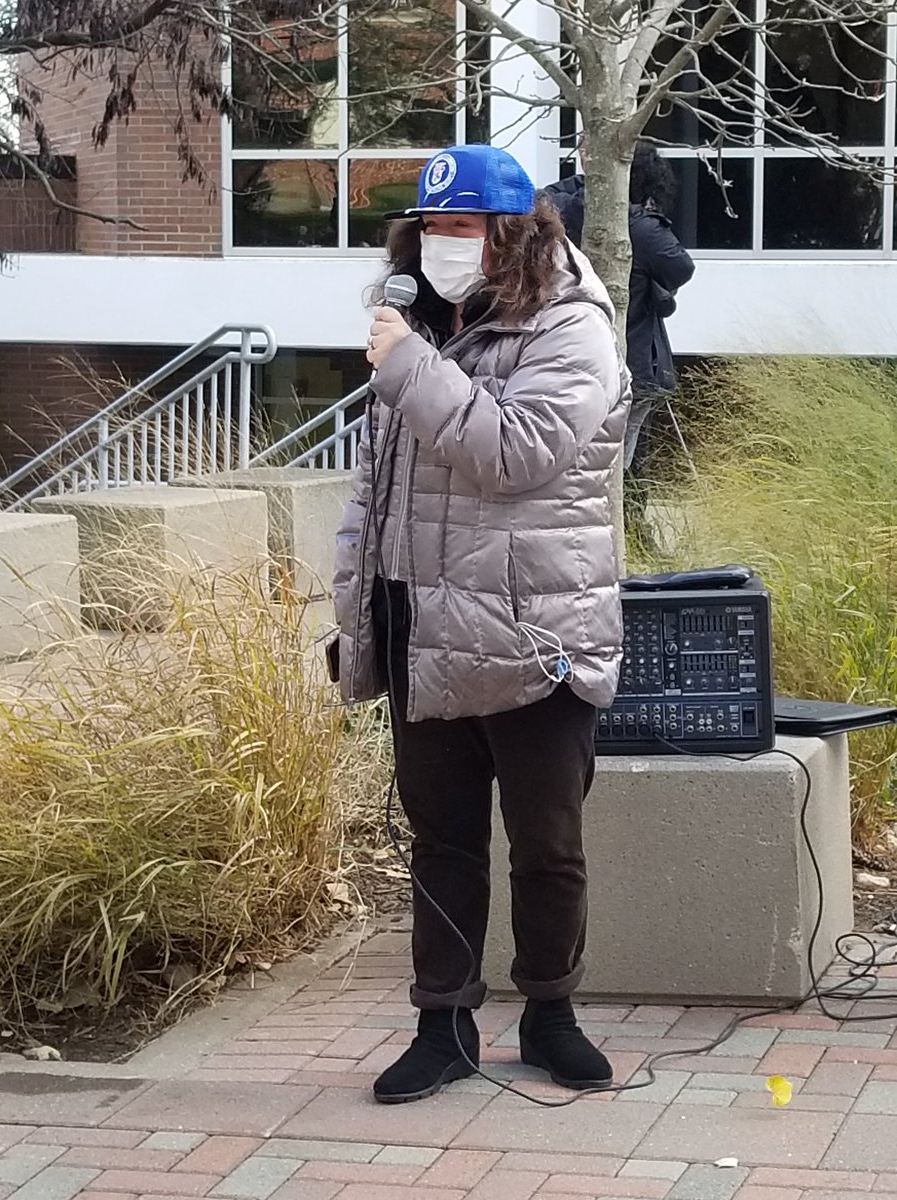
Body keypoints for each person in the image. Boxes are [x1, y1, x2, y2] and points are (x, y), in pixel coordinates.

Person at [332, 143, 630, 1105]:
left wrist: (410, 365)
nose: (440, 244)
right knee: (442, 843)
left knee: (547, 846)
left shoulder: (572, 326)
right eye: (428, 228)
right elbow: (375, 492)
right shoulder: (418, 323)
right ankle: (444, 1025)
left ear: (513, 232)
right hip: (423, 628)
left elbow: (515, 454)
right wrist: (356, 609)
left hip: (536, 635)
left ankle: (552, 1015)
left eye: (461, 227)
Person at [545, 143, 694, 523]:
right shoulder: (639, 227)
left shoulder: (557, 208)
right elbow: (680, 267)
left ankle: (619, 533)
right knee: (622, 463)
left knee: (585, 455)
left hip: (565, 355)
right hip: (632, 357)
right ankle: (623, 535)